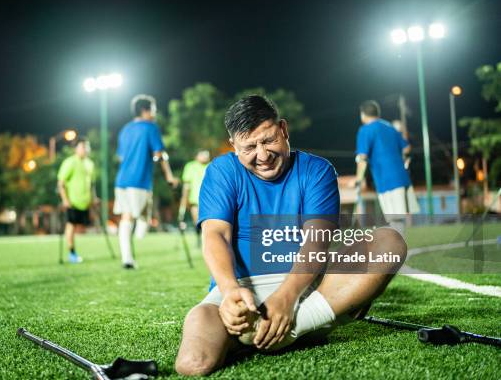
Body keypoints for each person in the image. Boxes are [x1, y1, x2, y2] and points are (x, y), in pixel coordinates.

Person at [174, 95, 407, 376]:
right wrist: (230, 292)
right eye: (249, 147)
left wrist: (286, 299)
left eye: (268, 140)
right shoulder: (221, 171)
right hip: (242, 292)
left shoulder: (316, 170)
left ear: (283, 129)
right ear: (234, 146)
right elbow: (215, 236)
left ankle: (282, 328)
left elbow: (317, 241)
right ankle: (278, 332)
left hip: (308, 292)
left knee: (389, 242)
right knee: (193, 364)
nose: (262, 155)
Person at [114, 94, 178, 269]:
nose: (155, 113)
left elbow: (120, 156)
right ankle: (128, 257)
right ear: (145, 110)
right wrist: (169, 177)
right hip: (139, 180)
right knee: (136, 216)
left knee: (132, 215)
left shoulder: (125, 129)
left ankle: (127, 256)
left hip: (121, 180)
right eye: (154, 109)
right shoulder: (151, 127)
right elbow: (159, 154)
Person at [354, 100, 419, 233]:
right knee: (397, 219)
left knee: (393, 219)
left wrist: (358, 180)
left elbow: (362, 158)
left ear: (363, 115)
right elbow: (406, 148)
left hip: (385, 180)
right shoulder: (390, 127)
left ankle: (399, 251)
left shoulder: (365, 130)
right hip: (401, 177)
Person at [57, 138, 96, 264]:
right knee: (71, 226)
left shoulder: (89, 163)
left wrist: (93, 198)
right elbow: (61, 183)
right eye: (83, 147)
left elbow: (91, 183)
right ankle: (72, 254)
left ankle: (74, 253)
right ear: (76, 149)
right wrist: (65, 199)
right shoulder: (69, 162)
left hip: (85, 202)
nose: (86, 149)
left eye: (87, 147)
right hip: (72, 201)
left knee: (82, 228)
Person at [179, 150, 210, 245]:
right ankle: (199, 241)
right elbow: (186, 185)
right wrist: (184, 199)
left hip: (209, 199)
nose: (205, 157)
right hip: (194, 200)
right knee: (197, 222)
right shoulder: (190, 166)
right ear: (197, 156)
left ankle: (207, 241)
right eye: (203, 155)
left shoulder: (211, 166)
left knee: (207, 223)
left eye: (207, 155)